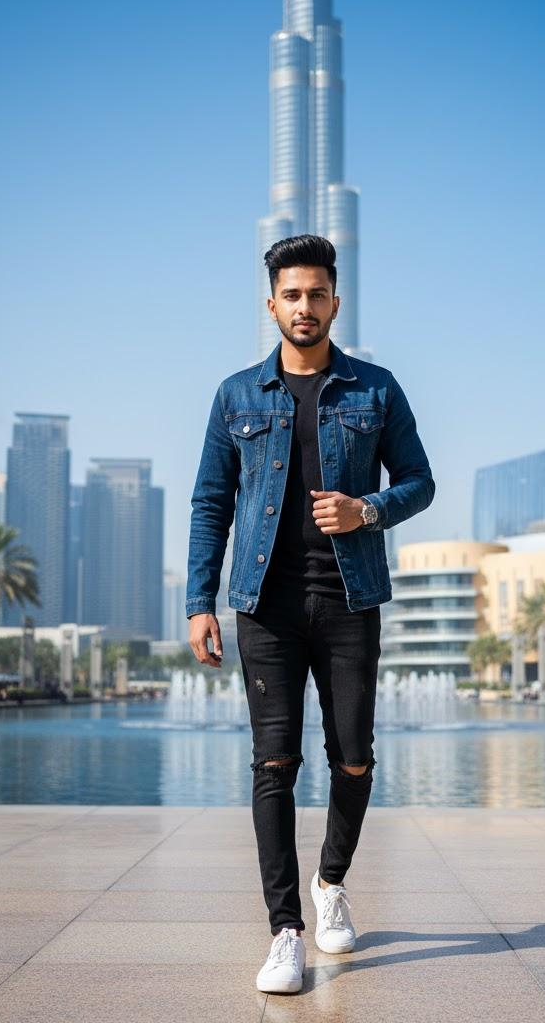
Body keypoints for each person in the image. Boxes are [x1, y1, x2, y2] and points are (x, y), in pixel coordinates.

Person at [186, 234, 435, 994]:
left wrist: (367, 510)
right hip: (265, 605)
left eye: (316, 293)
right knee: (274, 764)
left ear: (335, 301)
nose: (304, 306)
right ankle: (285, 930)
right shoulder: (235, 395)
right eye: (290, 295)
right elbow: (210, 502)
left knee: (353, 755)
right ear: (272, 305)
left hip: (350, 596)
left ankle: (331, 882)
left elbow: (420, 481)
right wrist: (200, 601)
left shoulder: (375, 389)